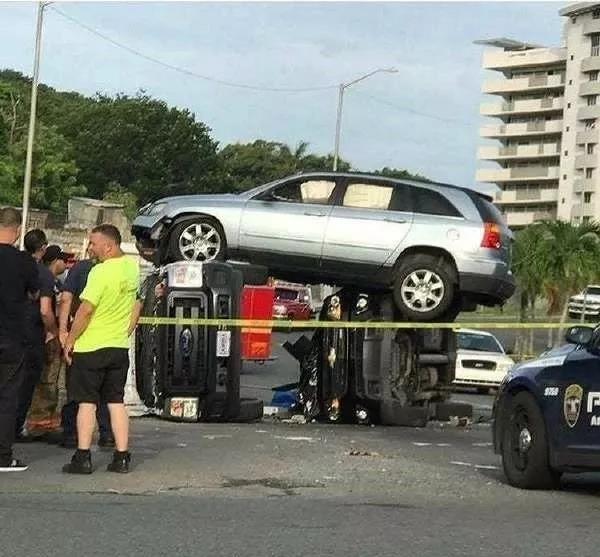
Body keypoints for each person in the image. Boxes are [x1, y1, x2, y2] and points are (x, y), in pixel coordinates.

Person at [62, 224, 139, 474]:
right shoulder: (131, 268)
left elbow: (85, 310)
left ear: (109, 245)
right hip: (117, 346)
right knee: (116, 401)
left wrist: (71, 339)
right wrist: (126, 331)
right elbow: (137, 303)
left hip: (91, 346)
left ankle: (83, 457)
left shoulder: (100, 272)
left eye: (93, 243)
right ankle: (122, 456)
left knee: (86, 402)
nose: (90, 248)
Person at [58, 254, 113, 449]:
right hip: (110, 337)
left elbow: (66, 299)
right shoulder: (120, 270)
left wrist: (64, 332)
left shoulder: (80, 269)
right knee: (107, 390)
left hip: (82, 335)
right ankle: (107, 433)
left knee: (77, 388)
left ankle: (72, 434)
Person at [0, 208, 39, 471]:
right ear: (16, 230)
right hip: (11, 337)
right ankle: (3, 456)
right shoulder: (24, 261)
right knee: (6, 398)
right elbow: (35, 294)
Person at [26, 246, 68, 439]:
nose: (65, 264)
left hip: (47, 334)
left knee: (50, 379)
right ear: (55, 260)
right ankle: (39, 422)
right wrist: (52, 331)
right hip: (47, 335)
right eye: (63, 260)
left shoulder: (52, 280)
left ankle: (45, 420)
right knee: (47, 379)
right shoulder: (47, 279)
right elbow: (46, 310)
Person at [15, 229, 49, 440]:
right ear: (43, 247)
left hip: (11, 331)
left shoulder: (13, 266)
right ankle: (16, 426)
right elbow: (45, 310)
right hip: (33, 334)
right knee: (26, 385)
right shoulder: (43, 273)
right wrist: (53, 331)